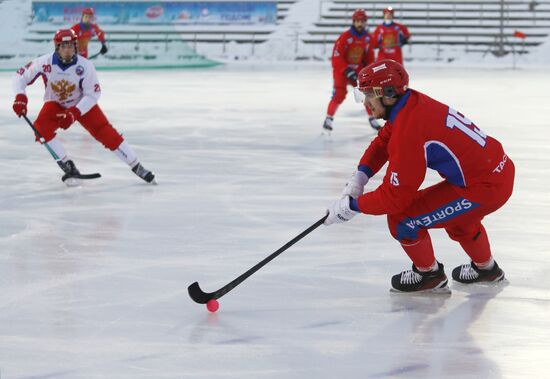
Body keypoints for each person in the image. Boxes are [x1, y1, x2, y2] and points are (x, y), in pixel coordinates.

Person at [323, 59, 514, 293]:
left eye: (368, 96)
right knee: (461, 220)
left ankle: (429, 275)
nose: (366, 105)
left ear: (388, 93)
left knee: (401, 218)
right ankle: (487, 269)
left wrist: (353, 206)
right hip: (493, 174)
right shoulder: (409, 103)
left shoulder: (409, 129)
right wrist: (360, 177)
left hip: (485, 186)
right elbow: (383, 141)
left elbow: (395, 197)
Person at [12, 29, 155, 184]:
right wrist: (20, 97)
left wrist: (74, 112)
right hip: (56, 103)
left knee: (104, 131)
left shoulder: (85, 66)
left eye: (71, 46)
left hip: (81, 104)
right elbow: (20, 76)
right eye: (63, 46)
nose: (68, 50)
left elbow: (92, 95)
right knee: (40, 129)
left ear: (76, 46)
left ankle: (136, 165)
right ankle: (68, 165)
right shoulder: (44, 62)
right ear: (57, 47)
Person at [323, 9, 381, 132]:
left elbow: (369, 56)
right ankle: (329, 118)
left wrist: (369, 71)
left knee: (367, 92)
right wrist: (347, 70)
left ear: (365, 22)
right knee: (339, 94)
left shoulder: (367, 38)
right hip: (342, 70)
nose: (360, 24)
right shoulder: (345, 37)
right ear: (354, 21)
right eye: (357, 21)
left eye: (362, 21)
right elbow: (337, 56)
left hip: (358, 70)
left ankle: (372, 118)